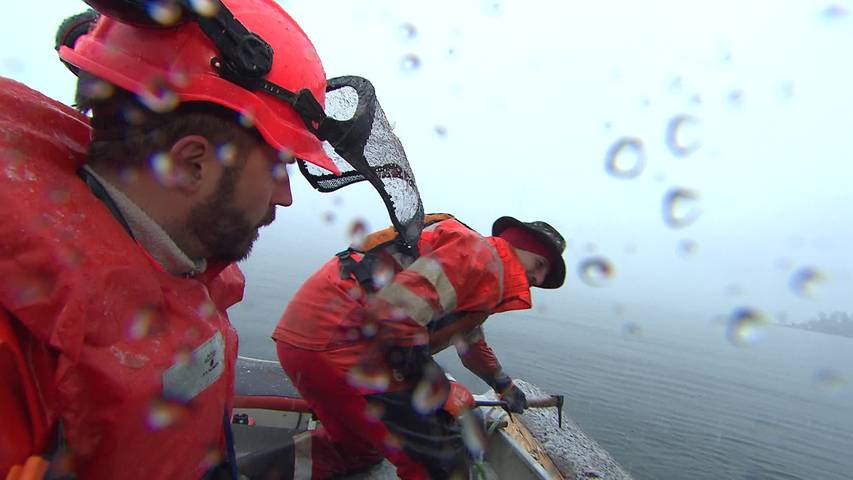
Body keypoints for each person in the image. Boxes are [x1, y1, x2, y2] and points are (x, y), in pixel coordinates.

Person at [0, 1, 343, 478]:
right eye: (279, 166)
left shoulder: (178, 259)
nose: (285, 197)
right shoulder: (20, 342)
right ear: (191, 165)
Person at [273, 214, 567, 479]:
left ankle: (247, 471)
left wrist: (503, 384)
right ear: (515, 244)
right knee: (439, 462)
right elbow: (394, 317)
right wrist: (441, 388)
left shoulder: (476, 265)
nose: (537, 280)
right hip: (338, 346)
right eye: (539, 265)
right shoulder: (480, 258)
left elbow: (469, 339)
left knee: (359, 448)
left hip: (307, 339)